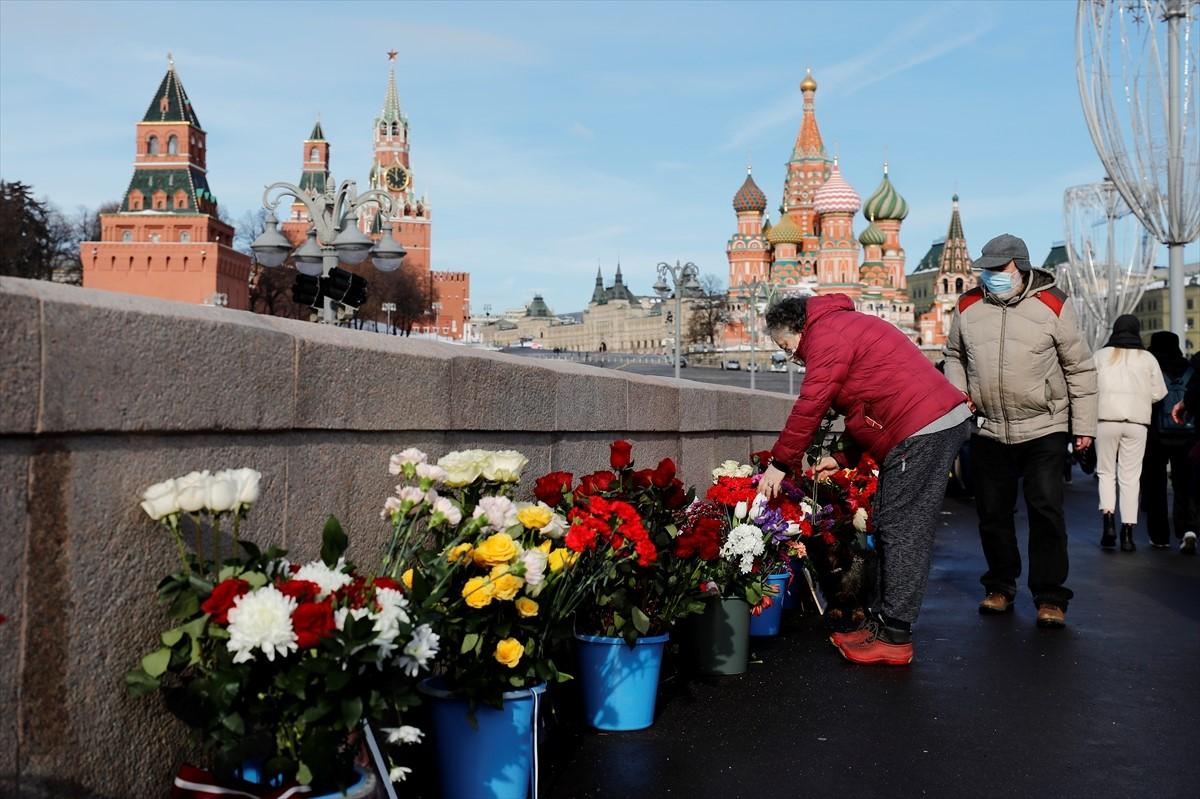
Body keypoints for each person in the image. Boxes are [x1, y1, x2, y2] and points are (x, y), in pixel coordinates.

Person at [757, 294, 972, 666]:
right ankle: (885, 622)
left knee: (903, 529)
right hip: (922, 424)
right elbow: (870, 402)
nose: (792, 356)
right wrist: (840, 458)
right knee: (890, 523)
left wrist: (780, 463)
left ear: (796, 329)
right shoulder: (840, 326)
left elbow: (812, 402)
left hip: (922, 428)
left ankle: (895, 636)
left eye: (786, 346)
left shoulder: (826, 335)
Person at [943, 233, 1097, 629]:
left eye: (1000, 269)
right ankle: (999, 586)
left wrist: (1083, 427)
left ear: (1021, 267)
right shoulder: (968, 306)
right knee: (992, 512)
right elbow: (954, 356)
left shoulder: (1053, 305)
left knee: (1046, 510)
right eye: (987, 269)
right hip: (989, 428)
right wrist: (961, 394)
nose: (991, 275)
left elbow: (1079, 368)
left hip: (1044, 425)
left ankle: (1050, 597)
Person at [1093, 315, 1166, 551]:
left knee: (1105, 473)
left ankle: (1108, 525)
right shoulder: (1147, 358)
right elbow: (1159, 393)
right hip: (1137, 422)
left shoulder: (1101, 356)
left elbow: (1088, 387)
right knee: (1131, 476)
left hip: (1105, 420)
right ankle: (1128, 533)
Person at [1145, 331, 1196, 553]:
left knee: (1155, 485)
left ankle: (1159, 535)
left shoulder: (1151, 367)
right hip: (1186, 432)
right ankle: (1187, 529)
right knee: (1183, 483)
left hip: (1156, 434)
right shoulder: (1189, 368)